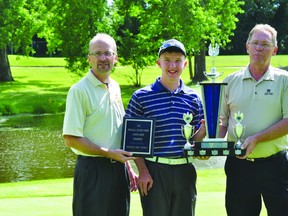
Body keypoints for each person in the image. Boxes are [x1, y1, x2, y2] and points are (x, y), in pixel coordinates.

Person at [125, 39, 206, 216]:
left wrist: (206, 129)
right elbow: (133, 141)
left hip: (184, 170)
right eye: (167, 59)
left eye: (178, 60)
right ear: (158, 63)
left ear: (184, 64)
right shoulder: (141, 96)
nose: (172, 65)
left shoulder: (194, 98)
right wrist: (143, 172)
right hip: (154, 171)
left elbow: (194, 142)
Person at [62, 33, 138, 216]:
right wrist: (108, 153)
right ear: (89, 58)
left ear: (115, 57)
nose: (103, 58)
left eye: (107, 53)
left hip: (118, 170)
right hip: (92, 171)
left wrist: (128, 167)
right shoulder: (79, 91)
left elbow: (117, 133)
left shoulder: (115, 87)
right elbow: (71, 139)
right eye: (97, 53)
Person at [219, 24, 288, 216]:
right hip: (238, 166)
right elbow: (222, 122)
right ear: (247, 46)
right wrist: (211, 143)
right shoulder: (230, 80)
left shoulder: (285, 80)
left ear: (274, 50)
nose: (259, 48)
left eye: (265, 44)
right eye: (255, 43)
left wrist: (256, 138)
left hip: (275, 166)